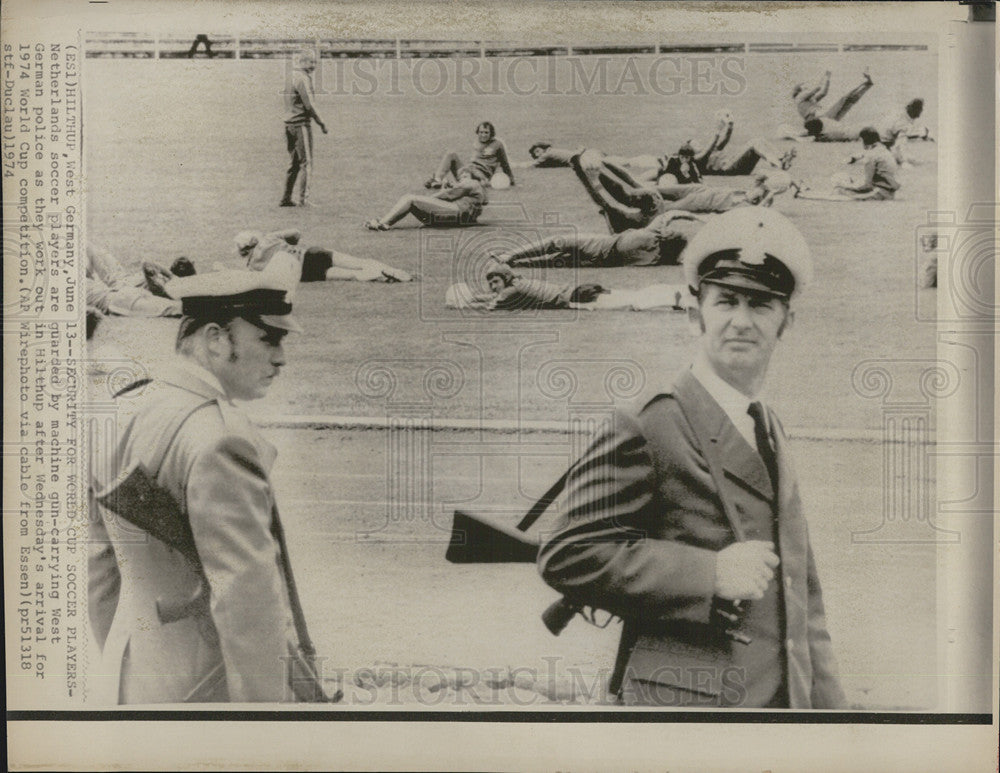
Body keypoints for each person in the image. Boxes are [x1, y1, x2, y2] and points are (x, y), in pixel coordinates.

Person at [537, 207, 846, 708]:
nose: (741, 321)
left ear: (787, 321)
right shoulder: (649, 421)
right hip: (685, 712)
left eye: (762, 304)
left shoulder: (768, 426)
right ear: (694, 314)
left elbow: (802, 598)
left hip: (779, 708)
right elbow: (568, 551)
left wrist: (832, 720)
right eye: (725, 301)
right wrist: (709, 574)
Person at [88, 268, 337, 704]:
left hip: (135, 677)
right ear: (217, 339)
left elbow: (99, 571)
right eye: (269, 339)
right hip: (212, 690)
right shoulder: (222, 439)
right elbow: (247, 602)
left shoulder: (125, 409)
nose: (281, 359)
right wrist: (265, 728)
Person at [573, 150, 790, 232]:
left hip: (680, 205)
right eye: (758, 191)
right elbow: (759, 182)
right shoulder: (744, 192)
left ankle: (586, 171)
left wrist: (772, 194)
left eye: (760, 195)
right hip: (696, 190)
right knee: (640, 187)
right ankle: (597, 165)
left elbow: (761, 213)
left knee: (630, 196)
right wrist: (606, 163)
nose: (756, 193)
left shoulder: (746, 207)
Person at [495, 211, 706, 268]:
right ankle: (515, 259)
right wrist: (696, 218)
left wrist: (696, 218)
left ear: (669, 238)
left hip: (600, 245)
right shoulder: (658, 256)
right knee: (556, 257)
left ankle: (513, 258)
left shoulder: (655, 236)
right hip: (604, 258)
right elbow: (685, 260)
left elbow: (669, 215)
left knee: (556, 247)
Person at [236, 229, 415, 282]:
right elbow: (296, 233)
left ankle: (379, 277)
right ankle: (389, 270)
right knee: (357, 262)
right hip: (311, 254)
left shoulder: (253, 267)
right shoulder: (269, 238)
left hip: (303, 273)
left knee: (352, 275)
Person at [792, 126, 900, 201]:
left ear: (864, 141)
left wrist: (846, 186)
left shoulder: (871, 156)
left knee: (838, 192)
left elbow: (867, 186)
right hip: (887, 192)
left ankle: (805, 194)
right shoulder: (884, 150)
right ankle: (807, 191)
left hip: (879, 193)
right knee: (842, 188)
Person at [365, 168, 488, 230]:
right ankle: (383, 222)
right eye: (460, 177)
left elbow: (445, 196)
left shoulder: (471, 183)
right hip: (457, 217)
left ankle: (383, 223)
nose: (462, 178)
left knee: (410, 199)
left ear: (472, 176)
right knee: (413, 203)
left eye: (465, 175)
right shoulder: (478, 189)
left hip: (455, 213)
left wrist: (428, 199)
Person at [280, 49, 328, 207]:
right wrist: (321, 122)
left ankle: (286, 198)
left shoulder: (291, 76)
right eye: (310, 62)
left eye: (315, 62)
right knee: (306, 163)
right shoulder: (303, 78)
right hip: (300, 124)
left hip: (288, 124)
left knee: (294, 163)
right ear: (302, 62)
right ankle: (303, 200)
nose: (313, 65)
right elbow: (309, 105)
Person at [86, 244, 184, 317]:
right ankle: (171, 285)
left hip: (120, 293)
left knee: (174, 307)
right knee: (175, 307)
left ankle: (170, 285)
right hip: (119, 297)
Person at [692, 111, 795, 176]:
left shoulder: (709, 152)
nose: (699, 144)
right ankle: (779, 164)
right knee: (753, 143)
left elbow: (725, 141)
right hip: (728, 169)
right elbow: (707, 149)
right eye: (695, 145)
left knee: (759, 140)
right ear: (692, 151)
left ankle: (781, 158)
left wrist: (730, 126)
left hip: (734, 166)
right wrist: (717, 131)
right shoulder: (698, 159)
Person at [425, 121, 515, 189]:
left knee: (469, 172)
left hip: (482, 175)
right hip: (468, 171)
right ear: (478, 132)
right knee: (451, 154)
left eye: (486, 132)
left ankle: (452, 185)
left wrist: (511, 179)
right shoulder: (476, 143)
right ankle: (437, 180)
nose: (483, 135)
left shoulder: (497, 144)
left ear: (491, 133)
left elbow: (505, 163)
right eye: (481, 132)